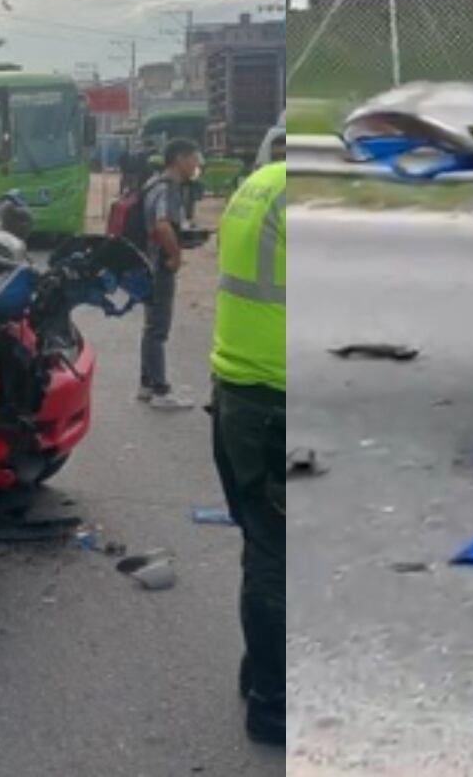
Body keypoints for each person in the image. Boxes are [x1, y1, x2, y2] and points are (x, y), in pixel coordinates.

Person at [209, 160, 286, 746]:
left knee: (261, 540)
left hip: (237, 391)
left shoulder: (257, 185)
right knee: (279, 555)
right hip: (279, 397)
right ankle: (274, 703)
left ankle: (258, 669)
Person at [138, 138, 201, 410]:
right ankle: (160, 390)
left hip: (145, 263)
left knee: (150, 326)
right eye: (193, 158)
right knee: (158, 329)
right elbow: (163, 226)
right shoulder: (169, 188)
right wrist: (176, 255)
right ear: (179, 159)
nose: (196, 164)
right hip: (160, 265)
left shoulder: (152, 183)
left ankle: (146, 383)